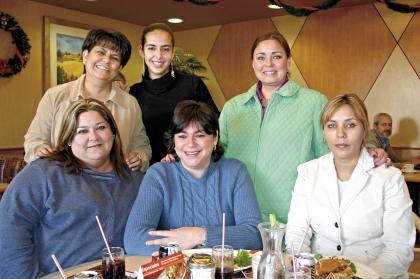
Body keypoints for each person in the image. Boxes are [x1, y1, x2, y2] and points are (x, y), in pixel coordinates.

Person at [219, 32, 388, 224]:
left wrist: (370, 151)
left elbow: (338, 142)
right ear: (252, 63)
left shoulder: (314, 102)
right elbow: (215, 156)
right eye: (261, 57)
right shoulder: (233, 108)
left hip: (293, 218)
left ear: (288, 61)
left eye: (277, 56)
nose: (268, 64)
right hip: (237, 216)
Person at [0, 99, 144, 278]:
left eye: (101, 127)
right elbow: (8, 230)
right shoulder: (43, 173)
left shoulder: (134, 178)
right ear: (68, 139)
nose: (94, 137)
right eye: (82, 131)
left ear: (113, 133)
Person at [286, 94, 415, 279]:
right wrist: (305, 271)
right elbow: (297, 233)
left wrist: (355, 276)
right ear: (324, 131)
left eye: (350, 125)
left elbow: (399, 248)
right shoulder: (308, 173)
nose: (340, 134)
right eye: (332, 125)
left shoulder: (389, 178)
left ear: (364, 130)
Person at [124, 100, 262, 256]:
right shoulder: (159, 175)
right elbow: (134, 239)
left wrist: (199, 236)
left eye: (200, 135)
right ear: (174, 141)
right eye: (182, 136)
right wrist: (182, 247)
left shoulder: (235, 172)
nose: (190, 144)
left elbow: (254, 235)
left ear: (215, 138)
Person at [24, 29, 151, 171]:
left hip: (112, 185)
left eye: (115, 57)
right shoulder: (55, 96)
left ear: (120, 68)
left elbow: (142, 146)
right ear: (85, 55)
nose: (106, 60)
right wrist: (39, 150)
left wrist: (139, 157)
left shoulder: (130, 103)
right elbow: (33, 141)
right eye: (101, 52)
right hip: (63, 182)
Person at [129, 23, 219, 165]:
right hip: (150, 171)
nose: (158, 55)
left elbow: (214, 127)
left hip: (189, 167)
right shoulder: (134, 92)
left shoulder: (192, 85)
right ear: (142, 51)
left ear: (172, 52)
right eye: (151, 48)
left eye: (165, 49)